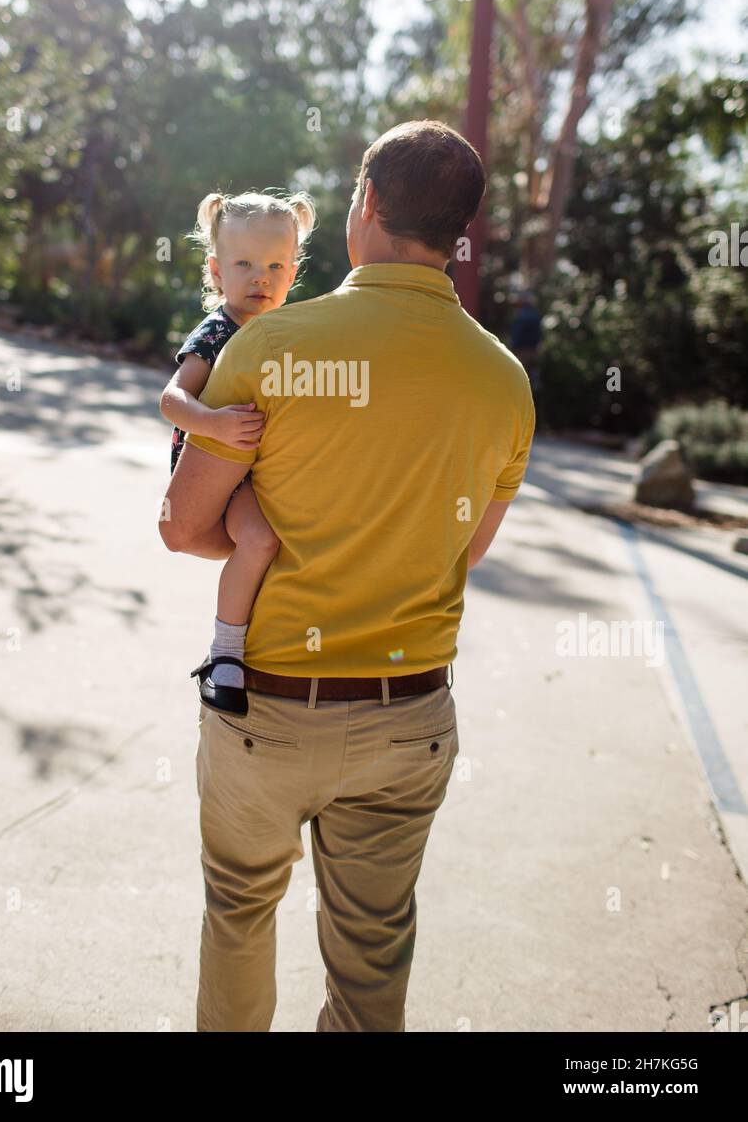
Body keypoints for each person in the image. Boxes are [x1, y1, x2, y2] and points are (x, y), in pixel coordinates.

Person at [159, 119, 536, 1032]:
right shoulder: (505, 380)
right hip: (408, 720)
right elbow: (463, 551)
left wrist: (270, 547)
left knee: (240, 917)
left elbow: (180, 525)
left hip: (266, 711)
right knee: (373, 956)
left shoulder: (269, 348)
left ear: (365, 207)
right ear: (457, 235)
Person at [158, 189, 316, 716]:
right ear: (217, 271)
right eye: (244, 263)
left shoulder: (285, 335)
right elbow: (172, 399)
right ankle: (225, 655)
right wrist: (213, 423)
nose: (260, 277)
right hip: (217, 470)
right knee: (259, 540)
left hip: (259, 466)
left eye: (275, 265)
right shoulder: (217, 332)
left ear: (292, 274)